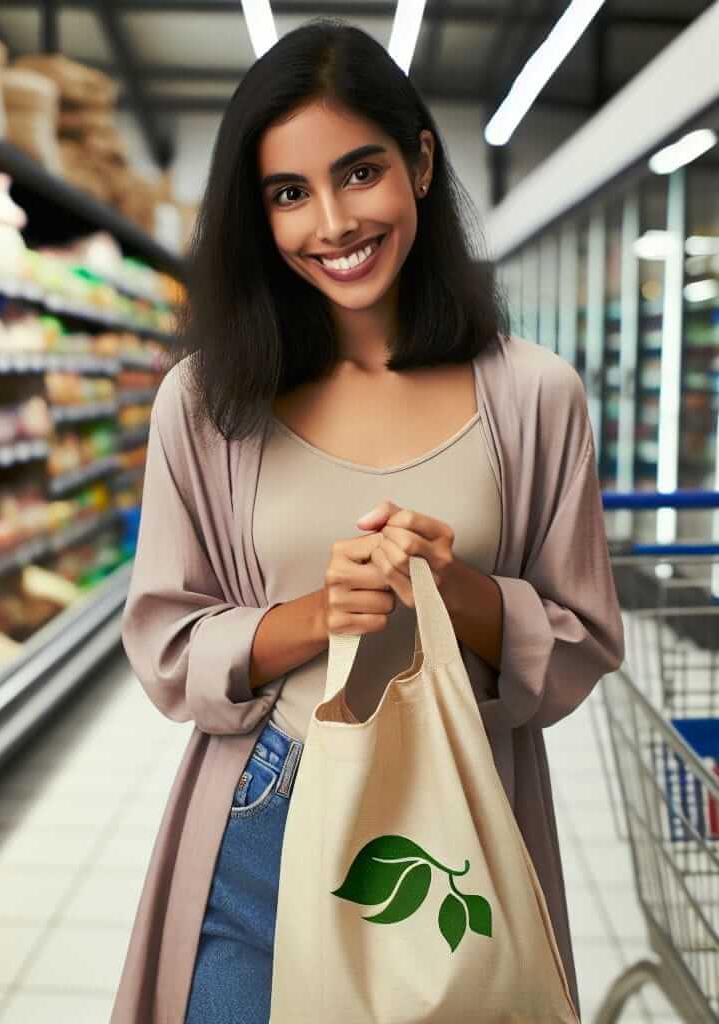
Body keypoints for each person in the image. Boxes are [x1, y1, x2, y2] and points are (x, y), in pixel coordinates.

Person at [110, 19, 624, 1024]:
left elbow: (582, 639)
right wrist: (315, 614)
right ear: (257, 213)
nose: (333, 222)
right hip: (261, 811)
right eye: (288, 193)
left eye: (360, 172)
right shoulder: (206, 401)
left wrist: (456, 589)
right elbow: (165, 639)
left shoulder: (534, 397)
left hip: (451, 822)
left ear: (420, 162)